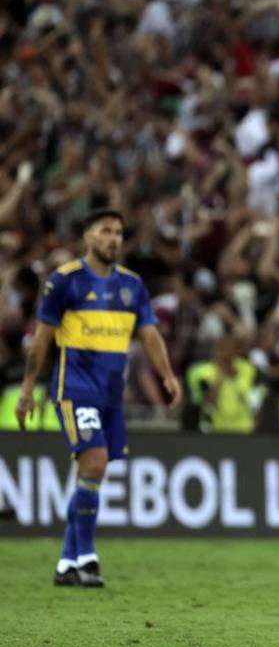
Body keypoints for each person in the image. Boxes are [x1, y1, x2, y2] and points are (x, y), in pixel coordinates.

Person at [16, 208, 183, 587]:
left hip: (111, 395)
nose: (113, 239)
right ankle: (88, 559)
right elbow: (42, 339)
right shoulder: (65, 282)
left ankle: (66, 564)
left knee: (90, 475)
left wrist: (168, 375)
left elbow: (150, 334)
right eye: (105, 231)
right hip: (74, 388)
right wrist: (27, 391)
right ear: (88, 236)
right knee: (95, 463)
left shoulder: (132, 286)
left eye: (119, 232)